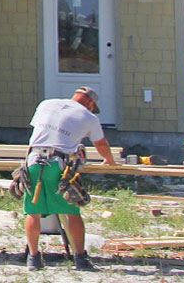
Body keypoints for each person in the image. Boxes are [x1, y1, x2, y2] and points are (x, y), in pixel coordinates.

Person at [20, 86, 115, 271]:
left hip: (32, 160)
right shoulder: (89, 117)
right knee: (71, 211)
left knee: (33, 211)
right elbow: (101, 143)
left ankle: (33, 258)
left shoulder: (46, 104)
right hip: (58, 165)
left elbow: (43, 133)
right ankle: (80, 258)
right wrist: (110, 161)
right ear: (90, 103)